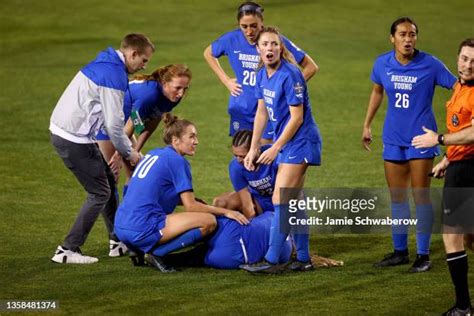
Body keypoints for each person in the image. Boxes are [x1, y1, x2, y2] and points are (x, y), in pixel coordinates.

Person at [361, 17, 457, 273]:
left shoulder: (431, 64)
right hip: (393, 137)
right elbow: (377, 91)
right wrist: (367, 124)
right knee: (397, 198)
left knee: (421, 196)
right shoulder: (382, 63)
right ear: (392, 38)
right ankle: (400, 251)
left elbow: (459, 88)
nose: (408, 39)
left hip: (421, 139)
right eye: (402, 34)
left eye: (412, 34)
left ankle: (423, 256)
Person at [49, 33, 154, 264]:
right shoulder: (114, 75)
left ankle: (117, 241)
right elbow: (114, 127)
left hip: (71, 132)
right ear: (132, 53)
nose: (144, 66)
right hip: (73, 138)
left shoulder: (107, 62)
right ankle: (67, 249)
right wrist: (131, 153)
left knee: (106, 181)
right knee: (100, 192)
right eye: (144, 60)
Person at [114, 114, 249, 272]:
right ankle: (157, 254)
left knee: (196, 210)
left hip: (121, 224)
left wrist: (188, 202)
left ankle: (136, 248)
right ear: (175, 140)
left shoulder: (154, 153)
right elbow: (191, 206)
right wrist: (227, 212)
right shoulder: (177, 161)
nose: (196, 141)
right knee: (209, 221)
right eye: (191, 137)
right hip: (141, 227)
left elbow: (143, 189)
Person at [241, 26, 322, 273]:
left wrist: (274, 148)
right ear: (258, 48)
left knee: (280, 198)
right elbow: (262, 111)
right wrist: (254, 147)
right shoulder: (261, 75)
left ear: (280, 48)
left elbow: (297, 118)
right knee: (294, 201)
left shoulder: (291, 74)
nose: (269, 48)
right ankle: (304, 258)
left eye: (274, 44)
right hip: (287, 143)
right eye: (265, 44)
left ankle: (272, 260)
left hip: (301, 142)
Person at [411, 38, 474, 315]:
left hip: (469, 170)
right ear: (457, 58)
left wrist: (438, 139)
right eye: (464, 59)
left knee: (452, 236)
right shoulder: (460, 87)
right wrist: (448, 159)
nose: (468, 65)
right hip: (460, 166)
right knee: (470, 239)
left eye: (473, 61)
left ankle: (462, 307)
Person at [203, 1, 318, 142]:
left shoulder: (273, 42)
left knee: (264, 155)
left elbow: (311, 67)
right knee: (242, 155)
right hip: (241, 108)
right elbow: (208, 53)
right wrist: (225, 80)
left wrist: (284, 89)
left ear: (261, 23)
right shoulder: (231, 39)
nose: (249, 31)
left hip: (269, 111)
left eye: (253, 26)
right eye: (244, 27)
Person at [97, 64, 192, 196]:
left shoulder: (172, 97)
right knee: (111, 178)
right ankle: (116, 216)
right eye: (178, 88)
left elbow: (153, 121)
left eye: (185, 88)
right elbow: (131, 124)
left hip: (123, 125)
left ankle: (129, 213)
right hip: (105, 123)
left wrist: (135, 151)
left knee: (135, 170)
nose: (181, 93)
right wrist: (118, 156)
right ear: (165, 83)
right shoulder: (149, 95)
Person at [163, 212, 292, 270]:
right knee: (197, 256)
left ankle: (157, 249)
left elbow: (252, 217)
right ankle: (167, 259)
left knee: (203, 223)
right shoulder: (286, 253)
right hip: (231, 259)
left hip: (232, 234)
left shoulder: (272, 215)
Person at [212, 130, 278, 219]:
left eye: (243, 156)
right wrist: (253, 226)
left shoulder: (275, 156)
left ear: (256, 149)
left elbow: (292, 188)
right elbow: (247, 205)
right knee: (220, 203)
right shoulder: (236, 166)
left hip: (283, 200)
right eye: (236, 155)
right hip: (259, 202)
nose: (239, 160)